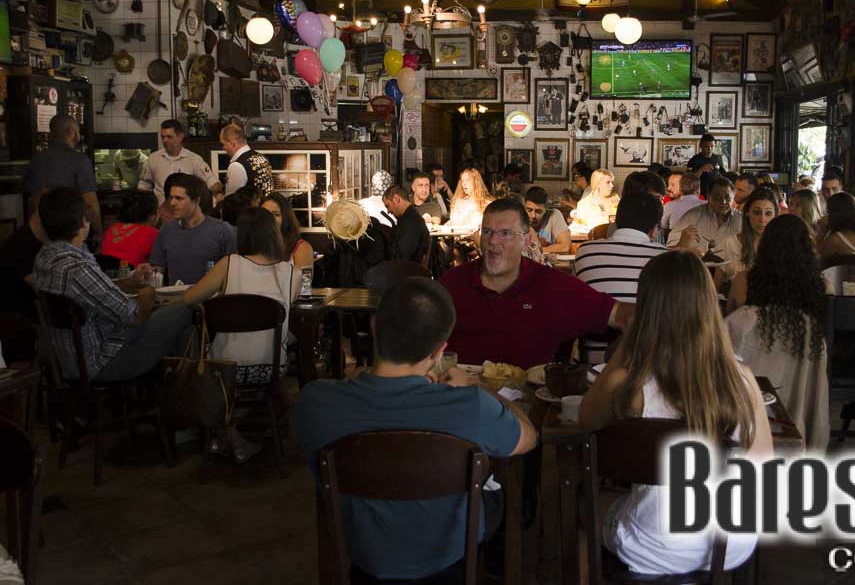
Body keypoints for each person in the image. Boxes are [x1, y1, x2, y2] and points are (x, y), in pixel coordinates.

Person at [294, 278, 537, 580]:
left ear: (374, 326)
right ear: (439, 351)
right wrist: (481, 389)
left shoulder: (315, 403)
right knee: (494, 486)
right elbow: (529, 438)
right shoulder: (473, 406)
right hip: (451, 548)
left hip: (361, 549)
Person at [579, 250, 771, 575]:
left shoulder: (629, 385)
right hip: (733, 541)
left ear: (646, 309)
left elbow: (586, 419)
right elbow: (763, 464)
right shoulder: (742, 379)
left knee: (582, 502)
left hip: (657, 545)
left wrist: (628, 340)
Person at [441, 199, 634, 367]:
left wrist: (620, 371)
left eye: (506, 233)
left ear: (526, 241)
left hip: (529, 395)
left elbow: (624, 315)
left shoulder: (553, 285)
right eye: (487, 231)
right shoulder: (452, 284)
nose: (492, 241)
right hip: (458, 393)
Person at [33, 187, 192, 382]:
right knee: (188, 307)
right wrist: (148, 294)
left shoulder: (44, 257)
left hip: (67, 360)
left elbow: (91, 290)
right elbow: (135, 317)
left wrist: (128, 283)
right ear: (83, 221)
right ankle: (185, 389)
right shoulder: (77, 268)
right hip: (101, 362)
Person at [185, 207, 300, 462]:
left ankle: (223, 434)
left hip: (225, 371)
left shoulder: (229, 264)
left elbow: (189, 298)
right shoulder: (292, 273)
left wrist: (221, 299)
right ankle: (257, 430)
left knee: (196, 344)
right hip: (271, 369)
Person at [725, 214, 829, 449]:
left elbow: (728, 325)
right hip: (799, 380)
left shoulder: (743, 282)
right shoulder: (820, 288)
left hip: (748, 388)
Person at [575, 192, 667, 363]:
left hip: (590, 366)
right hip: (646, 363)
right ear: (655, 230)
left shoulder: (585, 251)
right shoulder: (665, 257)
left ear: (615, 223)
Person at [26, 114, 101, 245]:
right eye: (78, 131)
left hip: (40, 234)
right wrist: (100, 233)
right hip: (70, 235)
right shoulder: (80, 160)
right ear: (71, 132)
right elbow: (90, 202)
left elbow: (32, 201)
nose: (79, 136)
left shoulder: (36, 159)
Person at [150, 174, 236, 285]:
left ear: (196, 200)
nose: (172, 203)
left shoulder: (221, 231)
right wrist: (148, 272)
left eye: (179, 198)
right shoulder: (166, 231)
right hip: (175, 294)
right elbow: (157, 270)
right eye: (171, 198)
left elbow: (233, 271)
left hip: (212, 294)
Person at [138, 119, 222, 214]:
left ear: (180, 137)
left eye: (169, 137)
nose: (165, 140)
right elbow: (144, 184)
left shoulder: (194, 160)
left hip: (186, 214)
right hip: (161, 213)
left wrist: (218, 193)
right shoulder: (153, 158)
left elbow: (211, 180)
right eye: (163, 137)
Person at [718, 187, 778, 286]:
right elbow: (716, 288)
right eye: (756, 212)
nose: (762, 219)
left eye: (768, 213)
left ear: (775, 216)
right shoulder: (728, 244)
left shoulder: (781, 246)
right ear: (747, 213)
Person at [668, 177, 743, 255]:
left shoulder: (741, 220)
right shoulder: (693, 216)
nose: (723, 201)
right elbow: (669, 248)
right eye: (717, 197)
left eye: (728, 198)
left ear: (733, 197)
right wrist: (681, 246)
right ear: (708, 197)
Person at [0, 199, 46, 321]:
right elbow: (44, 288)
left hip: (37, 313)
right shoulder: (20, 243)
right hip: (19, 319)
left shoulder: (40, 239)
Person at [100, 191, 159, 267]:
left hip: (104, 272)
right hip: (130, 273)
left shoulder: (113, 227)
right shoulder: (153, 233)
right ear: (152, 216)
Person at [261, 192, 314, 271]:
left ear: (286, 218)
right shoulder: (253, 247)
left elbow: (305, 279)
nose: (270, 218)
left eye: (276, 214)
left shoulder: (301, 248)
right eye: (265, 214)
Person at [219, 123, 274, 197]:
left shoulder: (236, 166)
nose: (223, 148)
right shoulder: (262, 157)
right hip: (267, 203)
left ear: (232, 144)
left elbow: (232, 200)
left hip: (251, 204)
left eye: (223, 144)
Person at [382, 185, 429, 262]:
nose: (388, 211)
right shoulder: (407, 219)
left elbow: (402, 258)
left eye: (388, 206)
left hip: (406, 268)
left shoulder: (412, 222)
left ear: (396, 199)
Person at [524, 186, 570, 255]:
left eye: (538, 211)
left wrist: (536, 250)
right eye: (529, 210)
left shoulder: (554, 214)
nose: (533, 216)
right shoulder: (518, 217)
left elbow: (565, 246)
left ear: (546, 209)